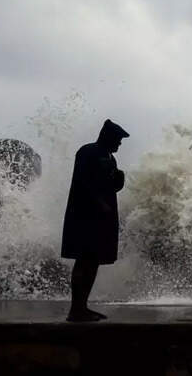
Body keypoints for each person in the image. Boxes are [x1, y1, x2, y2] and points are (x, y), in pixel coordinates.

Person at [61, 119, 129, 322]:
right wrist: (99, 202)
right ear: (107, 136)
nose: (119, 144)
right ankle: (76, 309)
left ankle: (82, 307)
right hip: (85, 216)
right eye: (118, 139)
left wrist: (119, 179)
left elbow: (111, 187)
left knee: (92, 262)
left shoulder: (110, 157)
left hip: (101, 218)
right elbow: (82, 181)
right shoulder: (88, 152)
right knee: (84, 260)